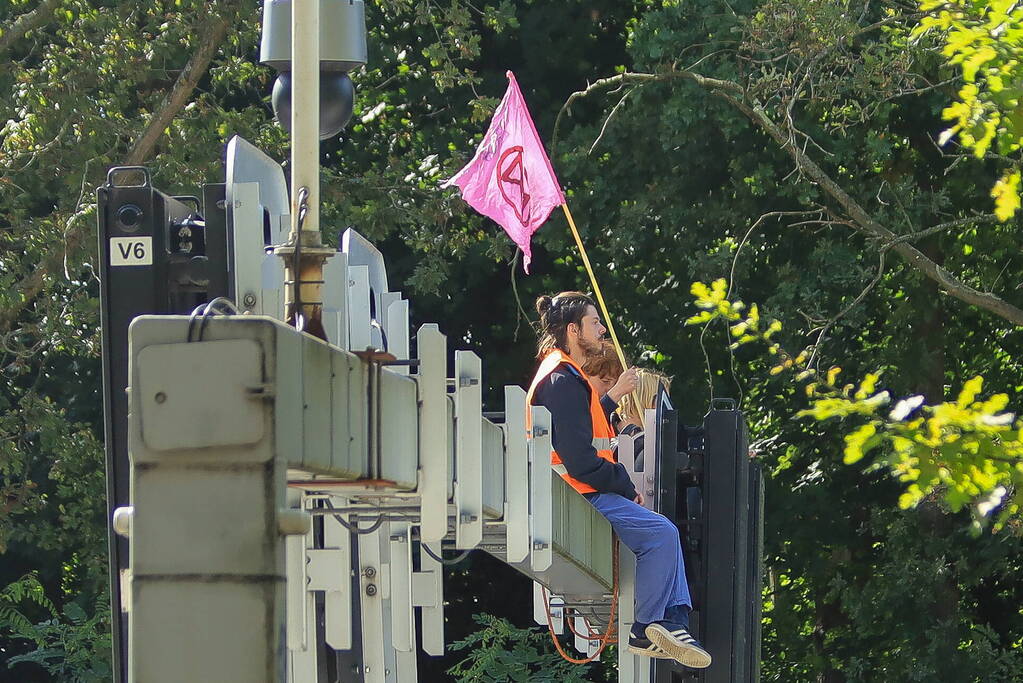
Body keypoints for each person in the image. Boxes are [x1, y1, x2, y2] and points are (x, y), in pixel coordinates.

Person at [525, 291, 711, 668]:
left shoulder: (563, 377)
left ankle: (671, 622)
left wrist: (610, 401)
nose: (601, 329)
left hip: (574, 489)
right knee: (661, 534)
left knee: (662, 532)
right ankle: (650, 626)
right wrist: (626, 486)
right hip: (576, 492)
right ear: (574, 330)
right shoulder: (563, 380)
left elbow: (581, 429)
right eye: (595, 323)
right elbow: (580, 461)